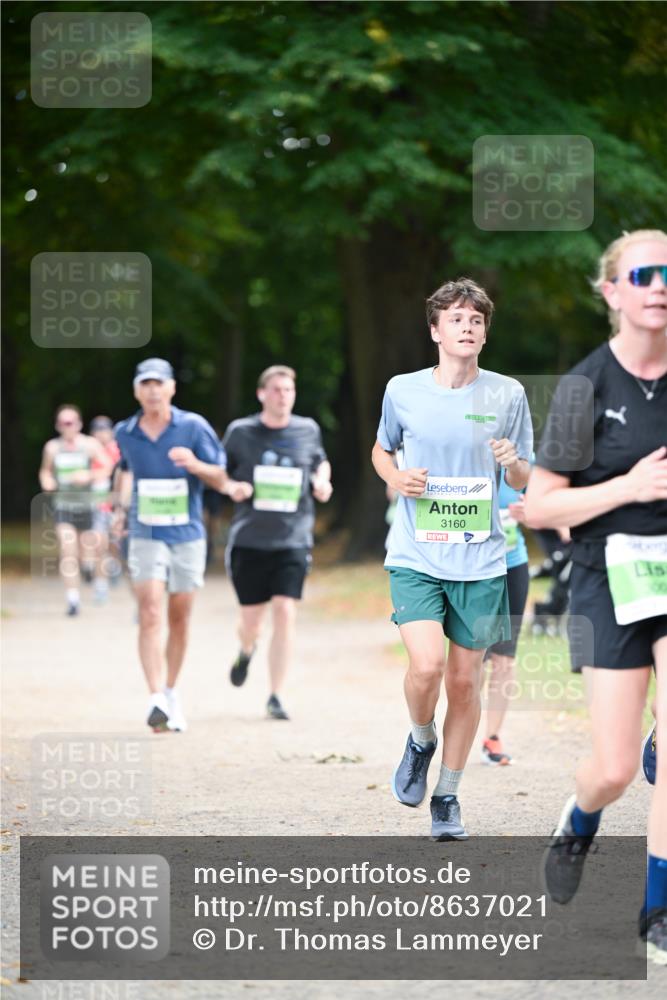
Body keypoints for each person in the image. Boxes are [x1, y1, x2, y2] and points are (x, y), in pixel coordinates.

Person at [525, 230, 667, 963]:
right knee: (613, 768)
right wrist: (629, 487)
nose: (659, 283)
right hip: (606, 577)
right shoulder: (584, 387)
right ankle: (579, 823)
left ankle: (659, 906)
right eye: (643, 272)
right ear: (610, 291)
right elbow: (539, 507)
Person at [372, 277, 533, 840]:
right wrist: (396, 477)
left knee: (465, 683)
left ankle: (447, 795)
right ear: (436, 330)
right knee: (426, 667)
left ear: (485, 334)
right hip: (416, 551)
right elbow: (382, 447)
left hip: (483, 559)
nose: (468, 328)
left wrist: (512, 462)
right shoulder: (403, 389)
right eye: (457, 319)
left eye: (477, 320)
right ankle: (420, 738)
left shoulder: (507, 394)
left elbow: (524, 475)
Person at [114, 358, 233, 733]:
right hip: (145, 532)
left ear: (171, 388)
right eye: (145, 383)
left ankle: (170, 691)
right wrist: (120, 510)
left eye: (158, 383)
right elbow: (126, 472)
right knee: (149, 610)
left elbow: (221, 476)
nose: (152, 389)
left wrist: (195, 464)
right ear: (136, 390)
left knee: (179, 616)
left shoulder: (193, 427)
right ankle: (154, 699)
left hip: (187, 535)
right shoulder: (125, 432)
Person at [222, 365, 332, 720]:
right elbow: (220, 471)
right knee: (252, 622)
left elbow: (320, 463)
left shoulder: (307, 429)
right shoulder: (241, 432)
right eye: (276, 390)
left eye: (288, 390)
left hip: (293, 538)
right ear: (261, 394)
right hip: (250, 540)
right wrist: (232, 487)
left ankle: (276, 695)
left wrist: (322, 481)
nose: (283, 396)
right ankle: (245, 648)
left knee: (285, 611)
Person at [39, 404, 112, 616]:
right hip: (64, 506)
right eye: (62, 423)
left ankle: (93, 574)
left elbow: (107, 467)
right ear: (57, 425)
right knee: (67, 549)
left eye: (70, 422)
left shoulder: (90, 445)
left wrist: (87, 476)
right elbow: (45, 472)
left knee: (90, 551)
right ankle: (73, 599)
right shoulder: (52, 447)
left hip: (88, 506)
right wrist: (47, 482)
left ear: (78, 424)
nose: (66, 426)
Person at [480, 476, 530, 766]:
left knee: (504, 656)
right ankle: (463, 727)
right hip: (471, 567)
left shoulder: (523, 457)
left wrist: (532, 512)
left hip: (513, 563)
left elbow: (541, 509)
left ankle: (492, 736)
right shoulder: (462, 447)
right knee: (472, 659)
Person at [89, 415, 123, 595]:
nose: (101, 434)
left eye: (104, 430)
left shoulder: (117, 450)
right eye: (97, 430)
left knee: (114, 542)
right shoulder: (87, 450)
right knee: (97, 542)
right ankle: (100, 583)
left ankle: (114, 564)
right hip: (95, 504)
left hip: (114, 503)